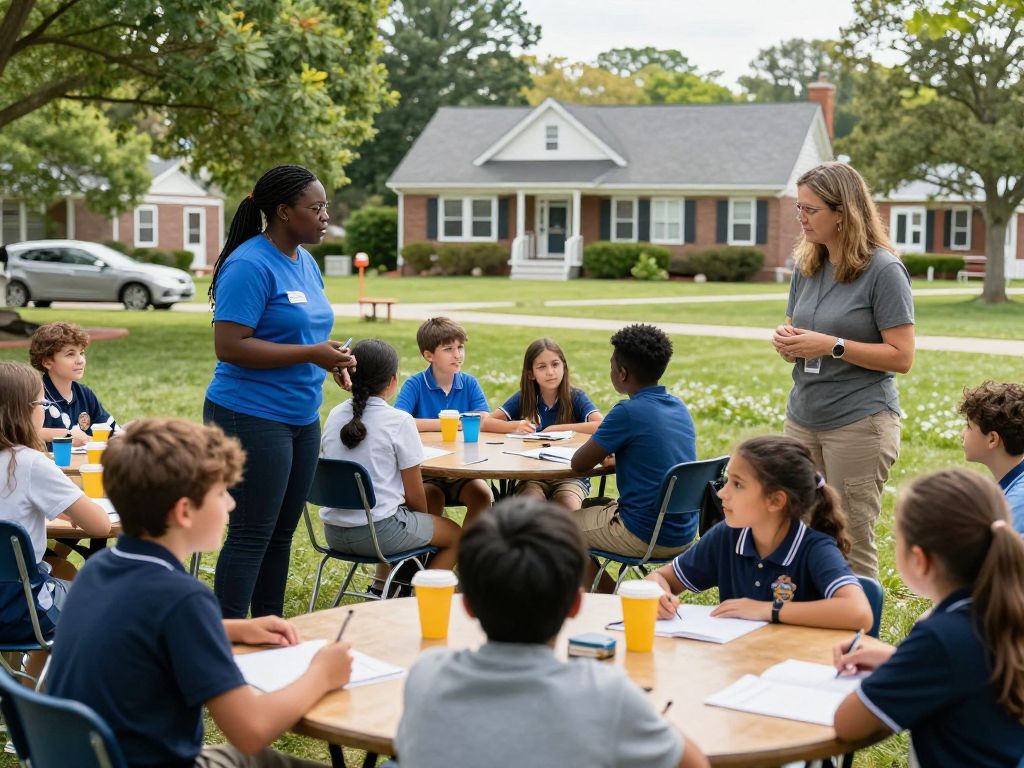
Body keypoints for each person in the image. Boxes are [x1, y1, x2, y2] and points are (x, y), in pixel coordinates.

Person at [47, 417, 353, 768]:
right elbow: (250, 730)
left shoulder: (97, 570)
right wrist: (322, 674)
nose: (231, 506)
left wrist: (234, 628)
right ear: (184, 511)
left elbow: (138, 631)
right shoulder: (182, 598)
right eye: (222, 493)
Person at [394, 497, 708, 768]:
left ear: (467, 606)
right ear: (575, 604)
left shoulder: (426, 677)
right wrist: (644, 716)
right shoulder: (606, 694)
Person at [204, 164, 356, 619]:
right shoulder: (249, 264)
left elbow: (303, 335)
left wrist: (329, 360)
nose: (326, 215)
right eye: (317, 207)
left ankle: (269, 632)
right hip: (248, 414)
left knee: (282, 531)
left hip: (300, 415)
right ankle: (224, 641)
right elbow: (230, 346)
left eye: (325, 206)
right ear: (284, 212)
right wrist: (311, 354)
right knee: (252, 532)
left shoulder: (305, 263)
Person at [772, 161, 915, 579]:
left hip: (859, 422)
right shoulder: (807, 264)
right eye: (799, 208)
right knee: (799, 531)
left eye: (810, 209)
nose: (800, 218)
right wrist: (788, 342)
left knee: (850, 537)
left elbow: (902, 356)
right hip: (802, 417)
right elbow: (801, 331)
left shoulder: (883, 270)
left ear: (843, 212)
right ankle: (812, 629)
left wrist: (831, 346)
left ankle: (859, 634)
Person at [832, 469, 1024, 766]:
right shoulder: (1001, 611)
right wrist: (900, 660)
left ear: (919, 560)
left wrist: (903, 666)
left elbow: (847, 723)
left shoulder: (941, 637)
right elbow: (967, 671)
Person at [647, 435, 872, 630]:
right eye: (727, 481)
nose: (722, 493)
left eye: (737, 485)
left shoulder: (814, 548)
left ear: (775, 501)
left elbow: (859, 612)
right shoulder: (727, 536)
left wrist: (767, 610)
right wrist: (657, 596)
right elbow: (659, 577)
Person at [320, 339, 461, 585]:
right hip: (378, 535)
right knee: (456, 535)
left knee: (391, 513)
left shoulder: (334, 415)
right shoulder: (399, 421)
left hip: (333, 533)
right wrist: (422, 526)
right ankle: (418, 599)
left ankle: (381, 588)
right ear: (393, 381)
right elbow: (416, 497)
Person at [0, 362, 109, 675]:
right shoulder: (30, 463)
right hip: (18, 608)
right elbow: (99, 525)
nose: (45, 411)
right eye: (41, 403)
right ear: (24, 410)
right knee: (96, 598)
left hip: (11, 597)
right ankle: (34, 695)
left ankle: (20, 689)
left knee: (62, 569)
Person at [571, 324, 696, 590]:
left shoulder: (627, 412)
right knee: (590, 506)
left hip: (643, 532)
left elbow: (579, 464)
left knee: (553, 528)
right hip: (683, 532)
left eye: (612, 366)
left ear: (623, 374)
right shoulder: (678, 407)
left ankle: (607, 600)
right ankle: (606, 592)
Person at [394, 317, 493, 526]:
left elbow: (485, 418)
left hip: (465, 469)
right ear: (429, 355)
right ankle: (433, 554)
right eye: (448, 349)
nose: (457, 355)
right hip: (426, 472)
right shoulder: (416, 384)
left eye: (460, 347)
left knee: (483, 495)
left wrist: (462, 420)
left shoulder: (468, 383)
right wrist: (444, 423)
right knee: (432, 498)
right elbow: (399, 421)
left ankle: (466, 554)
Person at [489, 337, 603, 510]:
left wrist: (557, 428)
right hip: (532, 476)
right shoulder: (525, 398)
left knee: (568, 507)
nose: (550, 372)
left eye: (555, 364)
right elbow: (487, 422)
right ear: (531, 374)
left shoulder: (576, 397)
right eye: (542, 367)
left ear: (564, 367)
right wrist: (515, 425)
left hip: (570, 476)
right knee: (531, 506)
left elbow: (600, 424)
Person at [29, 322, 117, 447]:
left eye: (81, 353)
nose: (80, 361)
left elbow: (113, 430)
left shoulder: (85, 394)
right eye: (70, 354)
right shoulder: (36, 396)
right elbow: (21, 433)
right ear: (47, 362)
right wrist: (66, 435)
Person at [959, 381, 1024, 533]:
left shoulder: (1016, 503)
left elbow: (1005, 555)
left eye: (969, 426)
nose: (963, 433)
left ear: (992, 439)